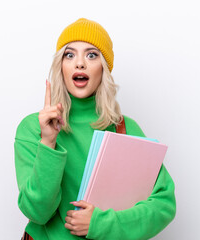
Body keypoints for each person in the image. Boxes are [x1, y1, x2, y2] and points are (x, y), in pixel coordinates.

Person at [14, 18, 176, 240]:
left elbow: (163, 204)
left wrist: (100, 224)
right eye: (69, 55)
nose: (80, 63)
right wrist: (49, 143)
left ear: (104, 68)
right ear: (61, 66)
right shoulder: (33, 128)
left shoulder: (125, 128)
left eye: (92, 55)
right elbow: (38, 213)